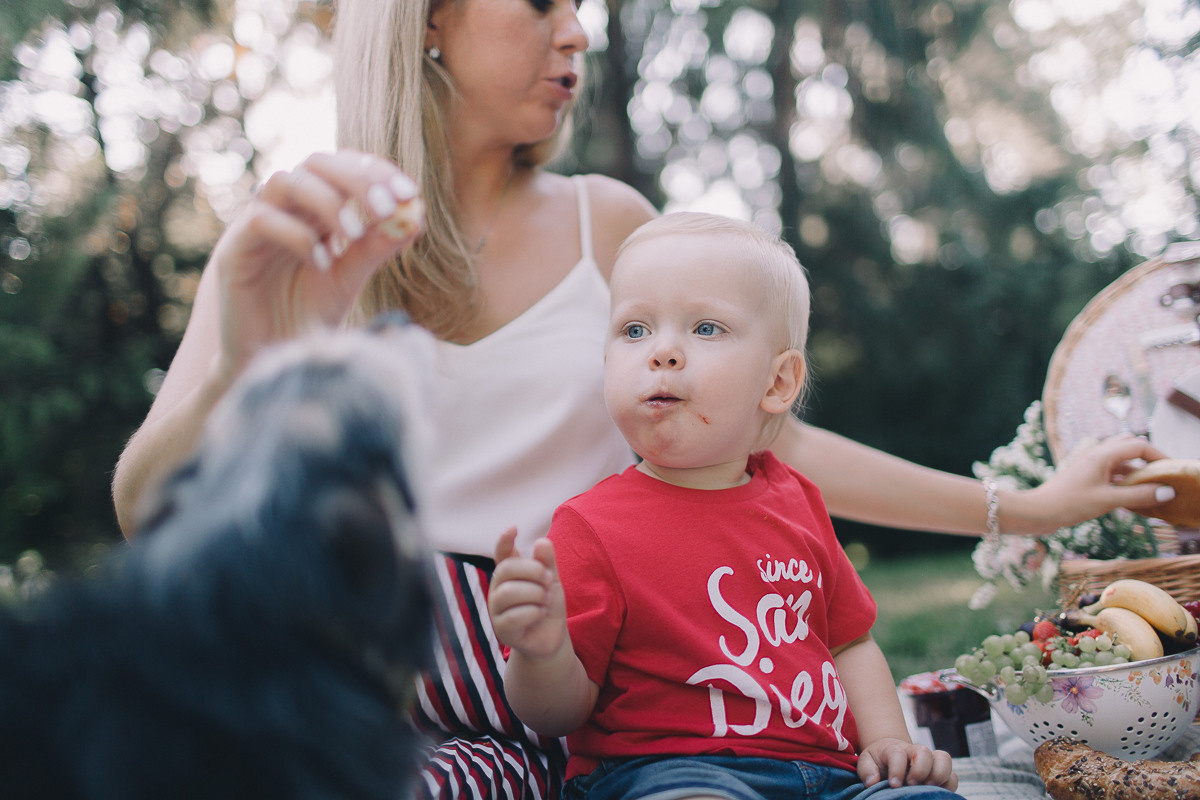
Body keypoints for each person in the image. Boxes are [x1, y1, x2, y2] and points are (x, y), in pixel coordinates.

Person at [110, 0, 1171, 797]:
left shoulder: (603, 223)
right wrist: (254, 355)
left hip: (566, 674)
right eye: (540, 3)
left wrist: (1033, 507)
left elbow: (776, 438)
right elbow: (148, 502)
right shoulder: (305, 223)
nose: (576, 31)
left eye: (580, 6)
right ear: (428, 19)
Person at [488, 212, 964, 800]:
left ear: (778, 383)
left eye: (706, 328)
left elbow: (850, 642)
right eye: (634, 330)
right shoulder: (590, 526)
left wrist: (888, 743)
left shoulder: (797, 500)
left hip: (832, 777)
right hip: (673, 773)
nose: (661, 350)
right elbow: (557, 714)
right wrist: (542, 650)